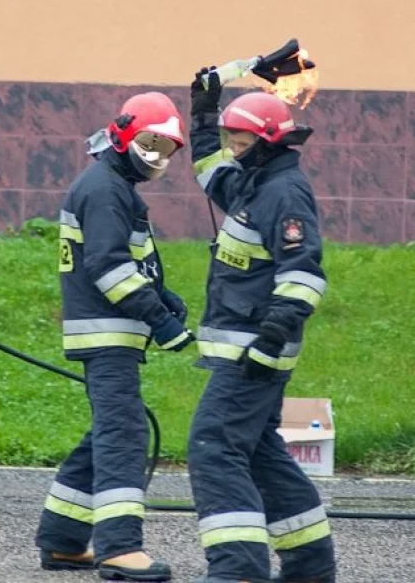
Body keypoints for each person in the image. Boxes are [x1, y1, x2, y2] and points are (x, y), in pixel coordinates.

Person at [34, 91, 195, 582]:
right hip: (107, 333)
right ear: (123, 134)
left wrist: (162, 296)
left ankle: (62, 539)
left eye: (166, 150)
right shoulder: (105, 189)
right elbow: (108, 267)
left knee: (106, 431)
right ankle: (120, 548)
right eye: (150, 144)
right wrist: (160, 320)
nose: (157, 157)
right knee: (124, 434)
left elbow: (127, 259)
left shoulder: (111, 185)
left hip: (109, 331)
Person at [186, 67, 337, 583]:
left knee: (215, 446)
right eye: (229, 136)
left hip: (255, 354)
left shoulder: (284, 195)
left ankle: (238, 569)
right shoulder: (253, 182)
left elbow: (304, 275)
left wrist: (272, 333)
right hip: (243, 350)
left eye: (239, 138)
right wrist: (204, 114)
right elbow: (209, 170)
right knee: (259, 452)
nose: (231, 147)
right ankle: (310, 566)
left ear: (267, 141)